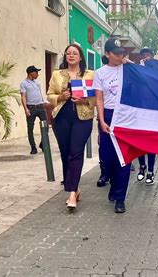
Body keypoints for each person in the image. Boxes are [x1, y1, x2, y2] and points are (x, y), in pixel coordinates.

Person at [47, 45, 95, 210]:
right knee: (65, 153)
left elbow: (96, 97)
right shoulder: (56, 74)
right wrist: (60, 97)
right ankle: (75, 187)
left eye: (75, 53)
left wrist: (84, 101)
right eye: (68, 53)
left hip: (83, 117)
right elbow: (49, 95)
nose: (71, 55)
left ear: (81, 57)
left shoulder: (90, 74)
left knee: (76, 152)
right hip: (62, 117)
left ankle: (72, 192)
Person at [93, 38, 131, 213]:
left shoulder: (128, 69)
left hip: (125, 116)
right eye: (116, 53)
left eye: (121, 53)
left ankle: (120, 198)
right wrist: (101, 120)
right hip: (108, 115)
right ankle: (114, 185)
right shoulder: (100, 73)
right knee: (108, 158)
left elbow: (145, 72)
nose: (119, 56)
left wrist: (127, 61)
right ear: (107, 54)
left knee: (124, 159)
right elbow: (99, 98)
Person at [135, 46, 158, 185]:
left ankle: (150, 170)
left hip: (153, 113)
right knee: (139, 143)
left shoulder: (157, 72)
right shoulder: (136, 70)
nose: (146, 57)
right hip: (138, 112)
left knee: (151, 144)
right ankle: (142, 166)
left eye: (148, 55)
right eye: (144, 55)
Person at [20, 65, 47, 155]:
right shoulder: (24, 83)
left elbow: (40, 94)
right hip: (31, 108)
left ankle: (43, 144)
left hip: (40, 107)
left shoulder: (37, 83)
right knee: (30, 129)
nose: (38, 74)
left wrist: (44, 103)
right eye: (36, 72)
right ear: (31, 73)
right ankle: (33, 147)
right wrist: (26, 109)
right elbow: (23, 96)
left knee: (45, 126)